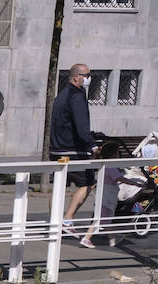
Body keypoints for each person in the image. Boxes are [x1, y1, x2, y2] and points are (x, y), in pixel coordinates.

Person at [50, 63, 99, 235]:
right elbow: (81, 125)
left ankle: (54, 222)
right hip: (73, 150)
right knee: (88, 182)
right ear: (76, 77)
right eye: (87, 75)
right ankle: (67, 219)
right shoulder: (77, 96)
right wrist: (92, 144)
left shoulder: (61, 95)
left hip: (57, 149)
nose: (89, 79)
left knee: (59, 186)